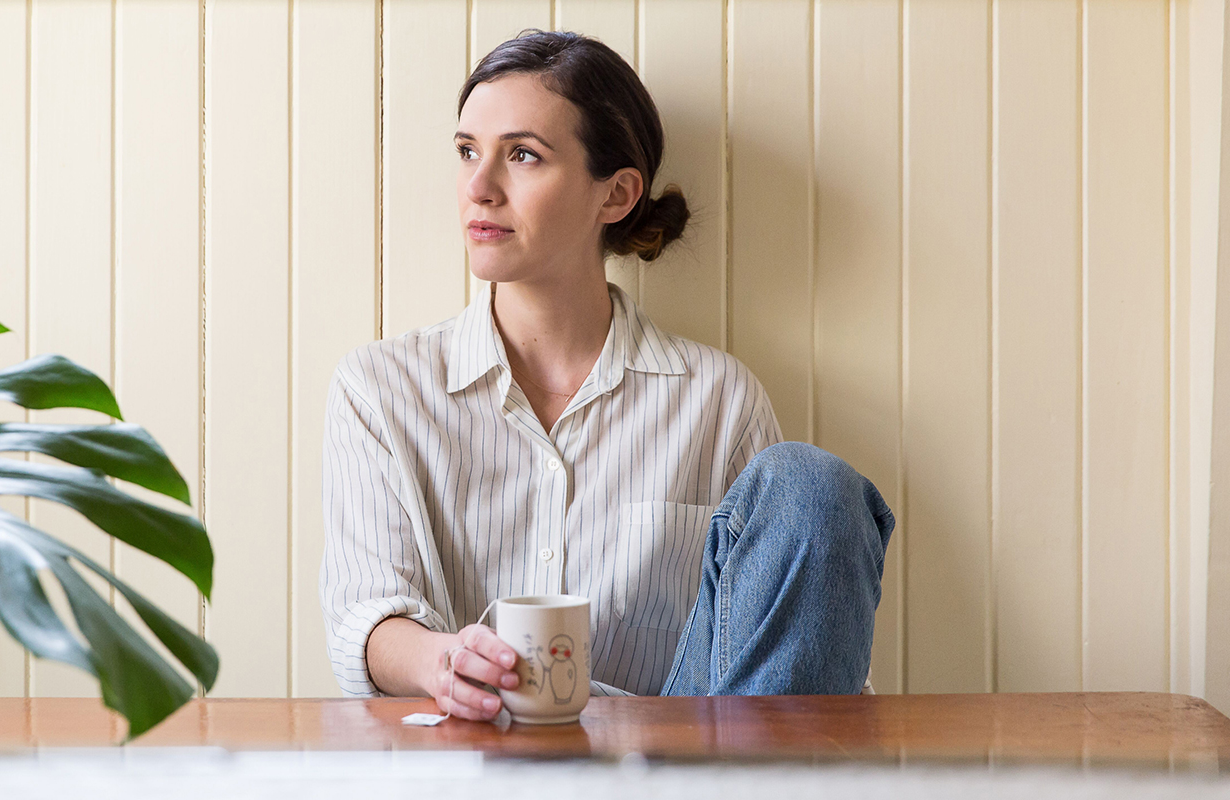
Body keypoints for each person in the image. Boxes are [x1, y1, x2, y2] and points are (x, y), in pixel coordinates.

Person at [319, 29, 895, 721]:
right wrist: (443, 663)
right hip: (470, 748)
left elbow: (791, 638)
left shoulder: (718, 400)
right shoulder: (380, 389)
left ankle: (758, 774)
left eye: (522, 155)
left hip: (676, 759)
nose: (478, 188)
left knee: (811, 484)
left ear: (616, 194)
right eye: (468, 151)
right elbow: (367, 613)